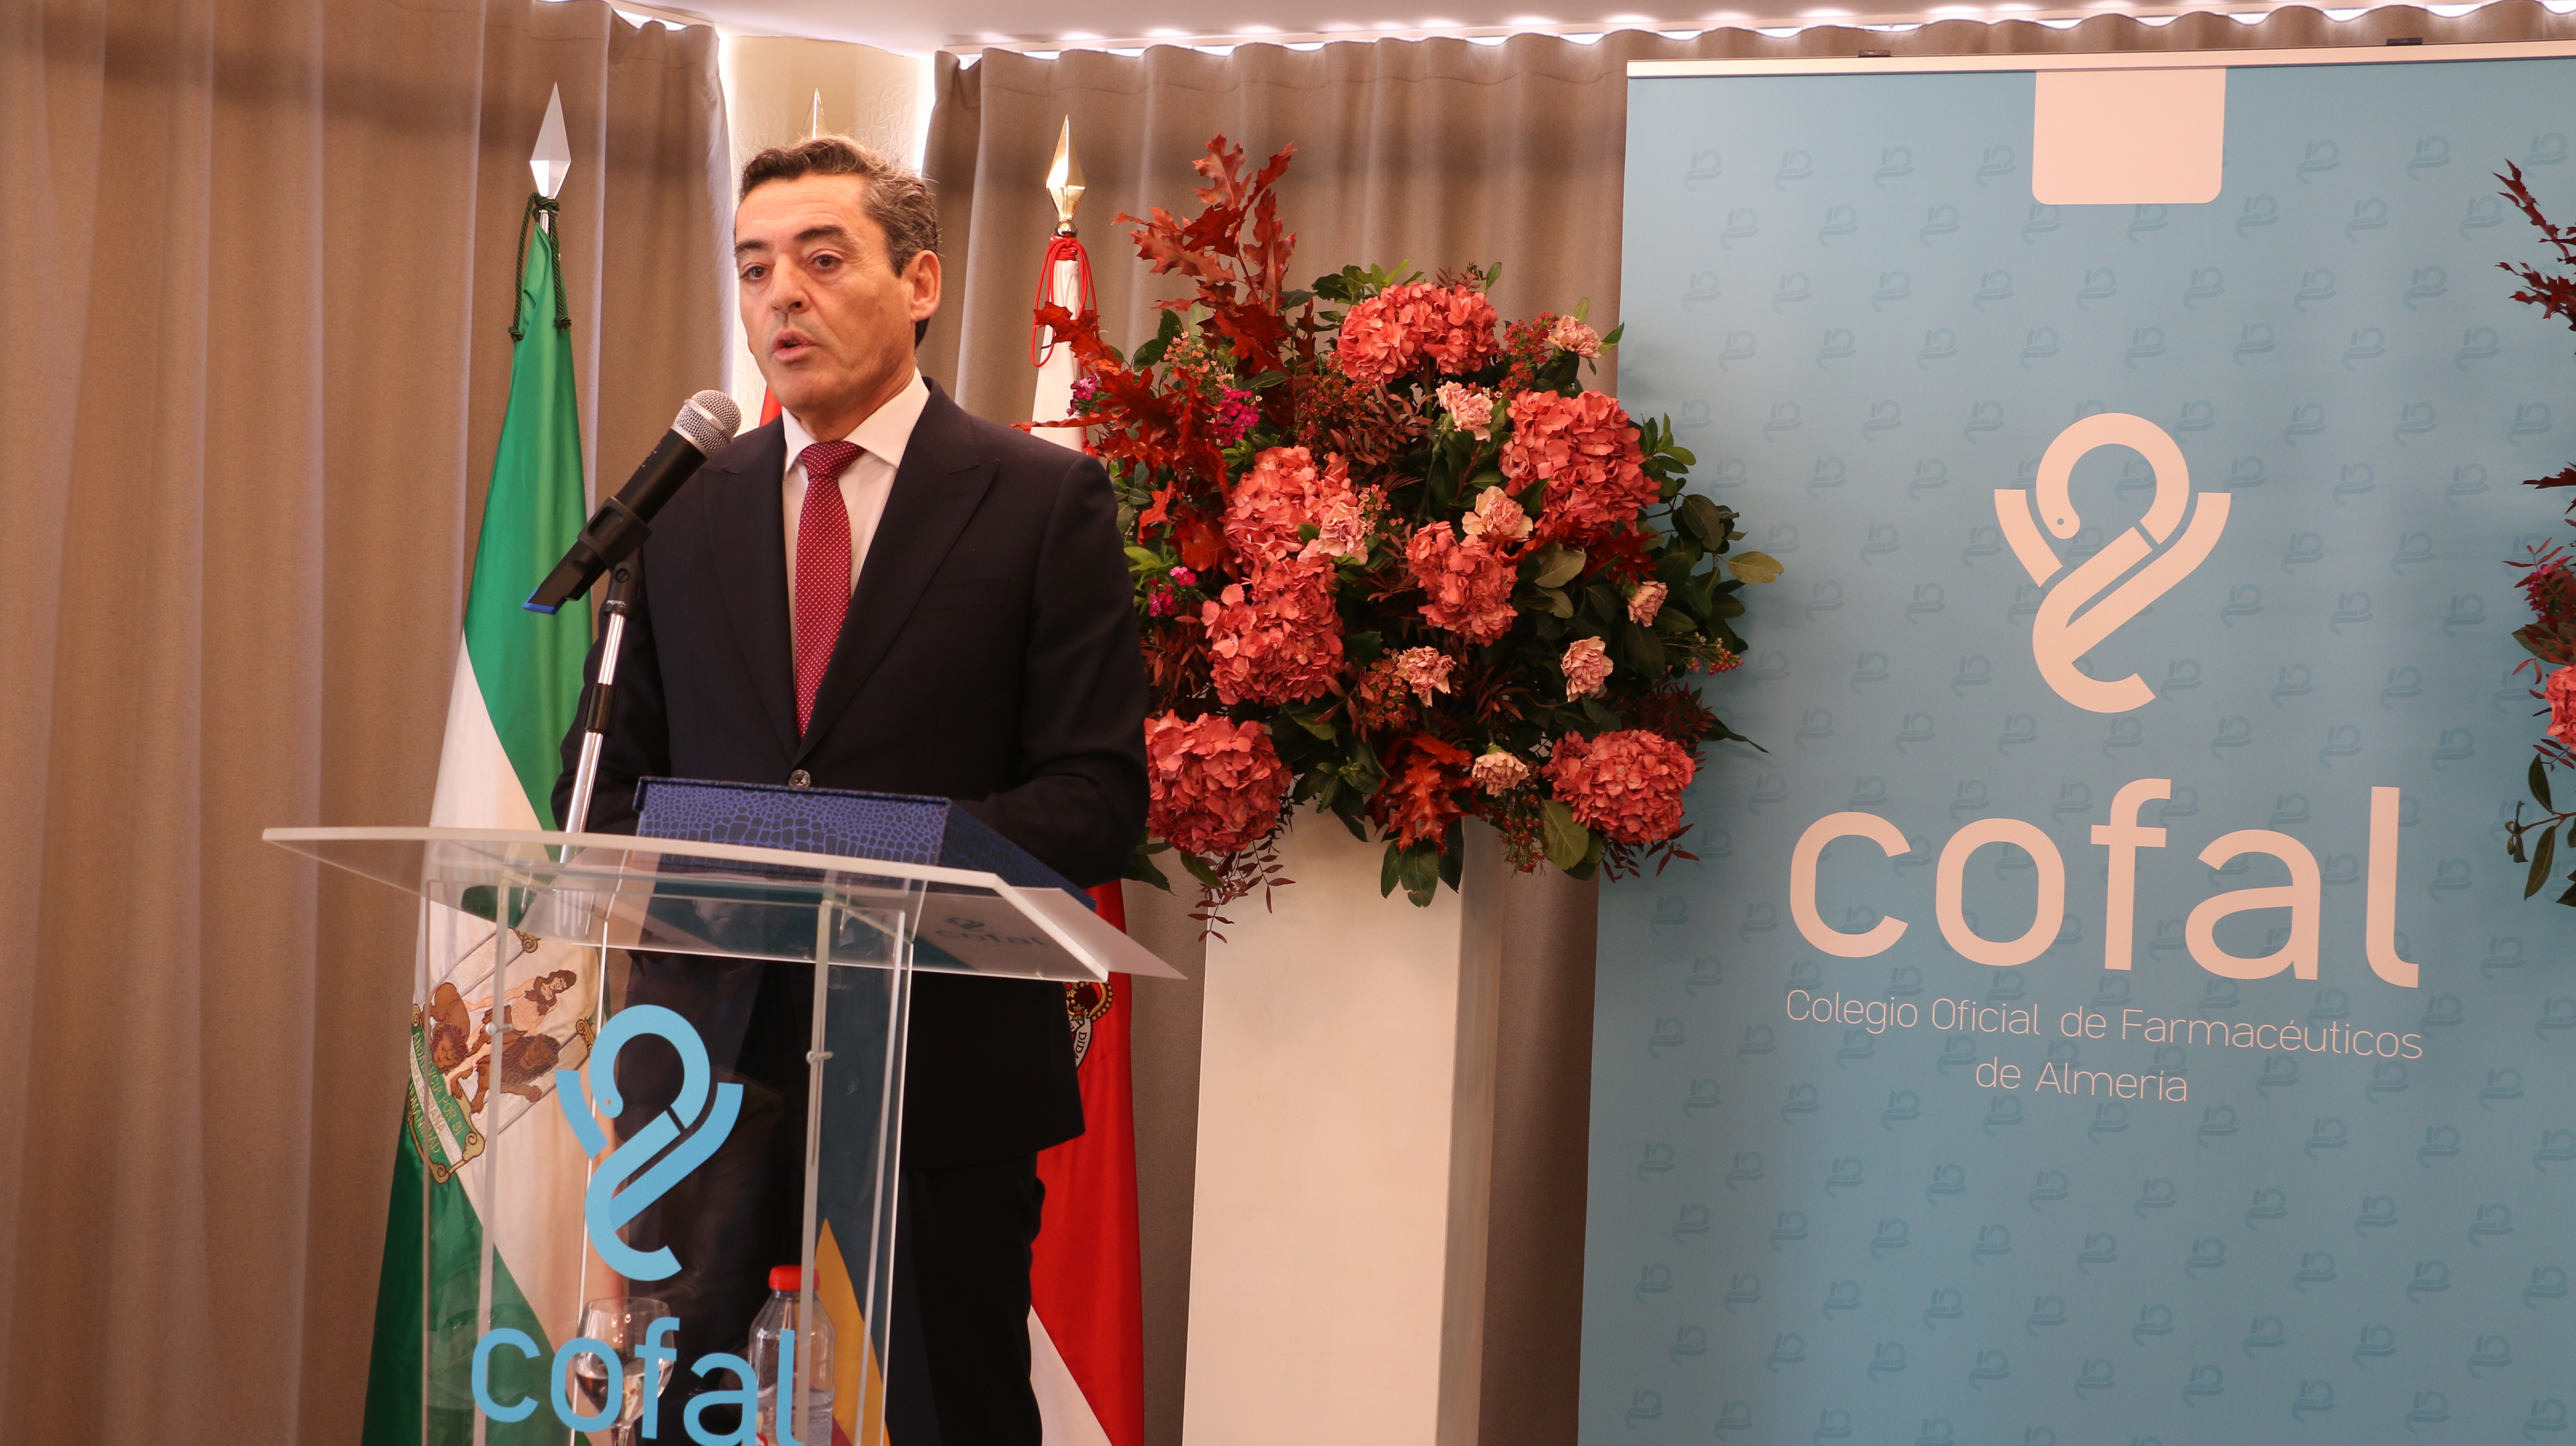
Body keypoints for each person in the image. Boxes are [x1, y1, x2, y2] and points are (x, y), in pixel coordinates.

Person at [553, 136, 1147, 1445]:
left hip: (938, 1063)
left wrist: (872, 847)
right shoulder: (679, 513)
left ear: (920, 282)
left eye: (822, 261)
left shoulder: (1039, 501)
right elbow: (605, 791)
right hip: (704, 1061)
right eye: (755, 267)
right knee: (680, 1415)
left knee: (952, 1414)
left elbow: (1097, 799)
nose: (782, 295)